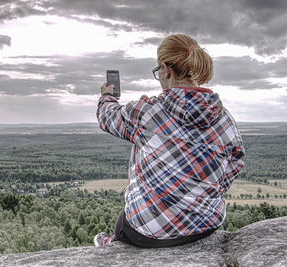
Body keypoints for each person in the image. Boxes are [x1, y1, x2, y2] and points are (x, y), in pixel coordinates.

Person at [94, 33, 245, 248]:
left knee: (123, 223)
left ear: (166, 69)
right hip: (206, 224)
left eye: (158, 71)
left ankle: (111, 245)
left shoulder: (147, 112)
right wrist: (202, 194)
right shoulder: (224, 118)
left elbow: (107, 117)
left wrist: (107, 97)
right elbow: (235, 162)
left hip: (151, 231)